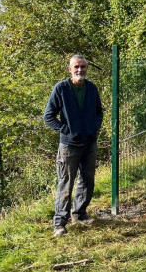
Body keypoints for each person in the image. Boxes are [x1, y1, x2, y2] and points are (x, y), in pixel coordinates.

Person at [43, 54, 104, 238]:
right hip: (69, 146)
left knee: (87, 181)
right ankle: (59, 223)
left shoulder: (92, 88)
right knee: (65, 184)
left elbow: (98, 112)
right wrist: (66, 130)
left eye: (83, 67)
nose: (80, 70)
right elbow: (48, 117)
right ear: (70, 69)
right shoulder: (61, 89)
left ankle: (80, 214)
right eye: (76, 67)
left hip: (89, 144)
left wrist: (93, 128)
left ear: (87, 68)